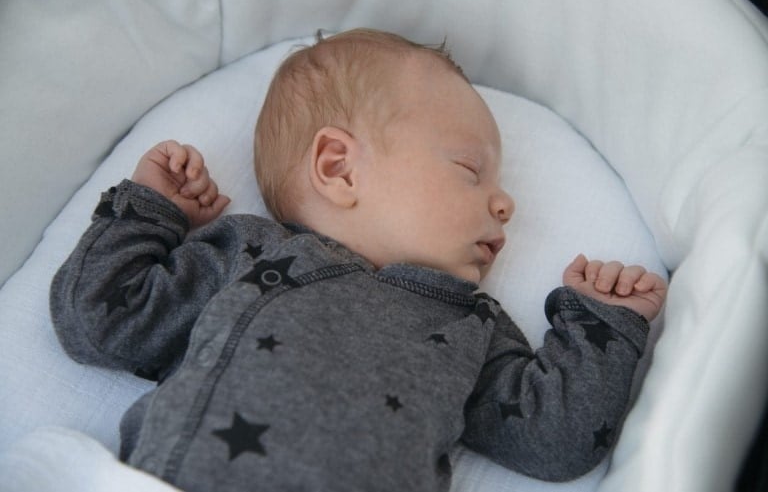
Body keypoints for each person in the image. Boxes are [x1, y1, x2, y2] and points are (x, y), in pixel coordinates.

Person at [50, 29, 667, 492]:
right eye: (470, 171)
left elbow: (551, 438)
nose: (504, 203)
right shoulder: (251, 253)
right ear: (338, 169)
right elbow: (100, 319)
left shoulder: (469, 324)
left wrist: (601, 328)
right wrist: (152, 212)